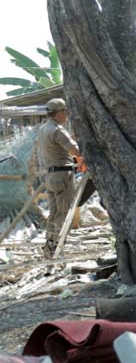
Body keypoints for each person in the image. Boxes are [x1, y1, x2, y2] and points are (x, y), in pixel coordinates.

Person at [35, 98, 82, 257]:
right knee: (63, 214)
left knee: (54, 214)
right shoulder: (58, 130)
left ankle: (49, 248)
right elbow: (76, 152)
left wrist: (73, 137)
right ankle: (56, 250)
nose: (67, 115)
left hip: (51, 176)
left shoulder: (44, 129)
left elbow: (61, 144)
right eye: (65, 112)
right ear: (60, 113)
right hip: (62, 175)